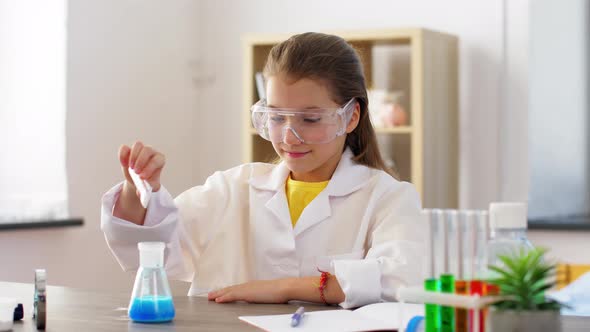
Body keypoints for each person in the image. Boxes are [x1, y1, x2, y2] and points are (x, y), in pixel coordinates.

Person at [101, 32, 424, 309]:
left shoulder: (388, 197)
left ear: (350, 117)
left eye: (309, 119)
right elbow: (156, 248)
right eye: (276, 116)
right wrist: (138, 189)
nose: (288, 136)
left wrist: (284, 288)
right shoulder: (234, 187)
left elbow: (401, 280)